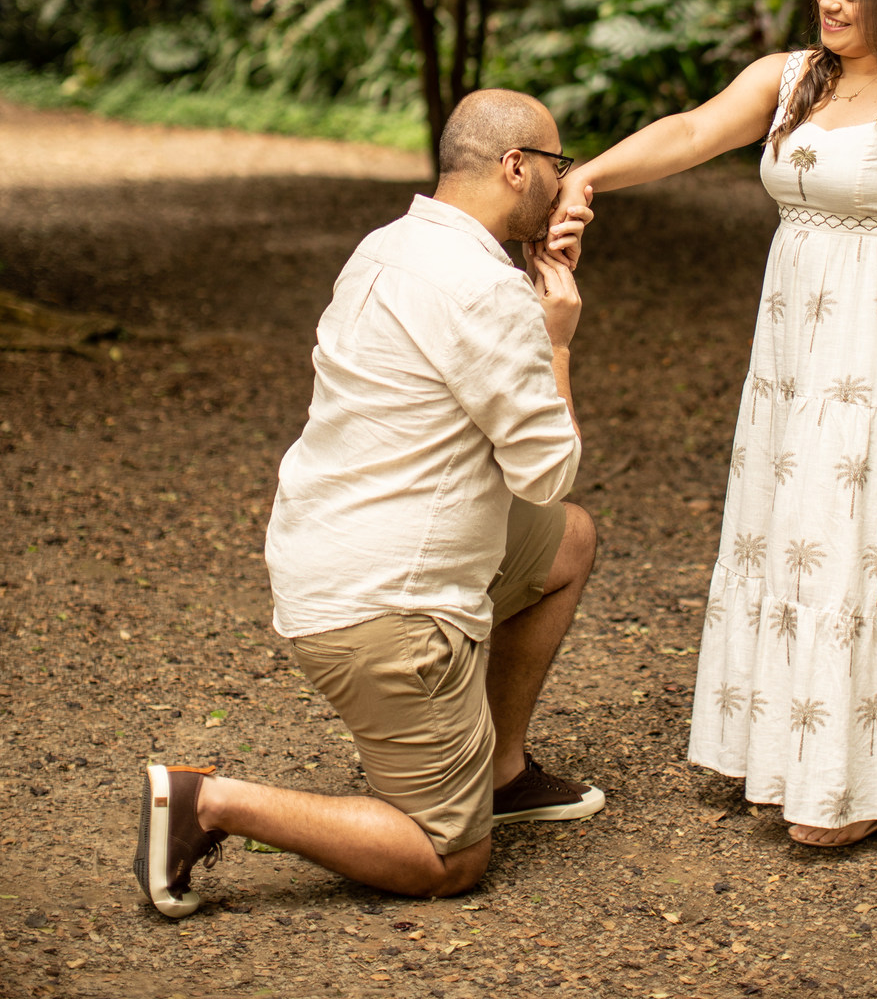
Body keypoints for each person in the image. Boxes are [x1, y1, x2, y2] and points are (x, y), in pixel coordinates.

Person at [547, 0, 877, 848]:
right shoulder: (791, 79)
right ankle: (786, 754)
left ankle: (862, 783)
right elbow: (693, 131)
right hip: (794, 358)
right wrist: (585, 175)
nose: (829, 0)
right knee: (794, 539)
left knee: (863, 540)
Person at [134, 88, 603, 918]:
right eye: (556, 166)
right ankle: (209, 802)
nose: (564, 183)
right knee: (447, 858)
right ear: (515, 166)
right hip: (388, 606)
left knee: (564, 543)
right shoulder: (488, 292)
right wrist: (557, 342)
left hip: (326, 550)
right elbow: (544, 470)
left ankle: (500, 772)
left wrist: (530, 286)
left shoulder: (388, 246)